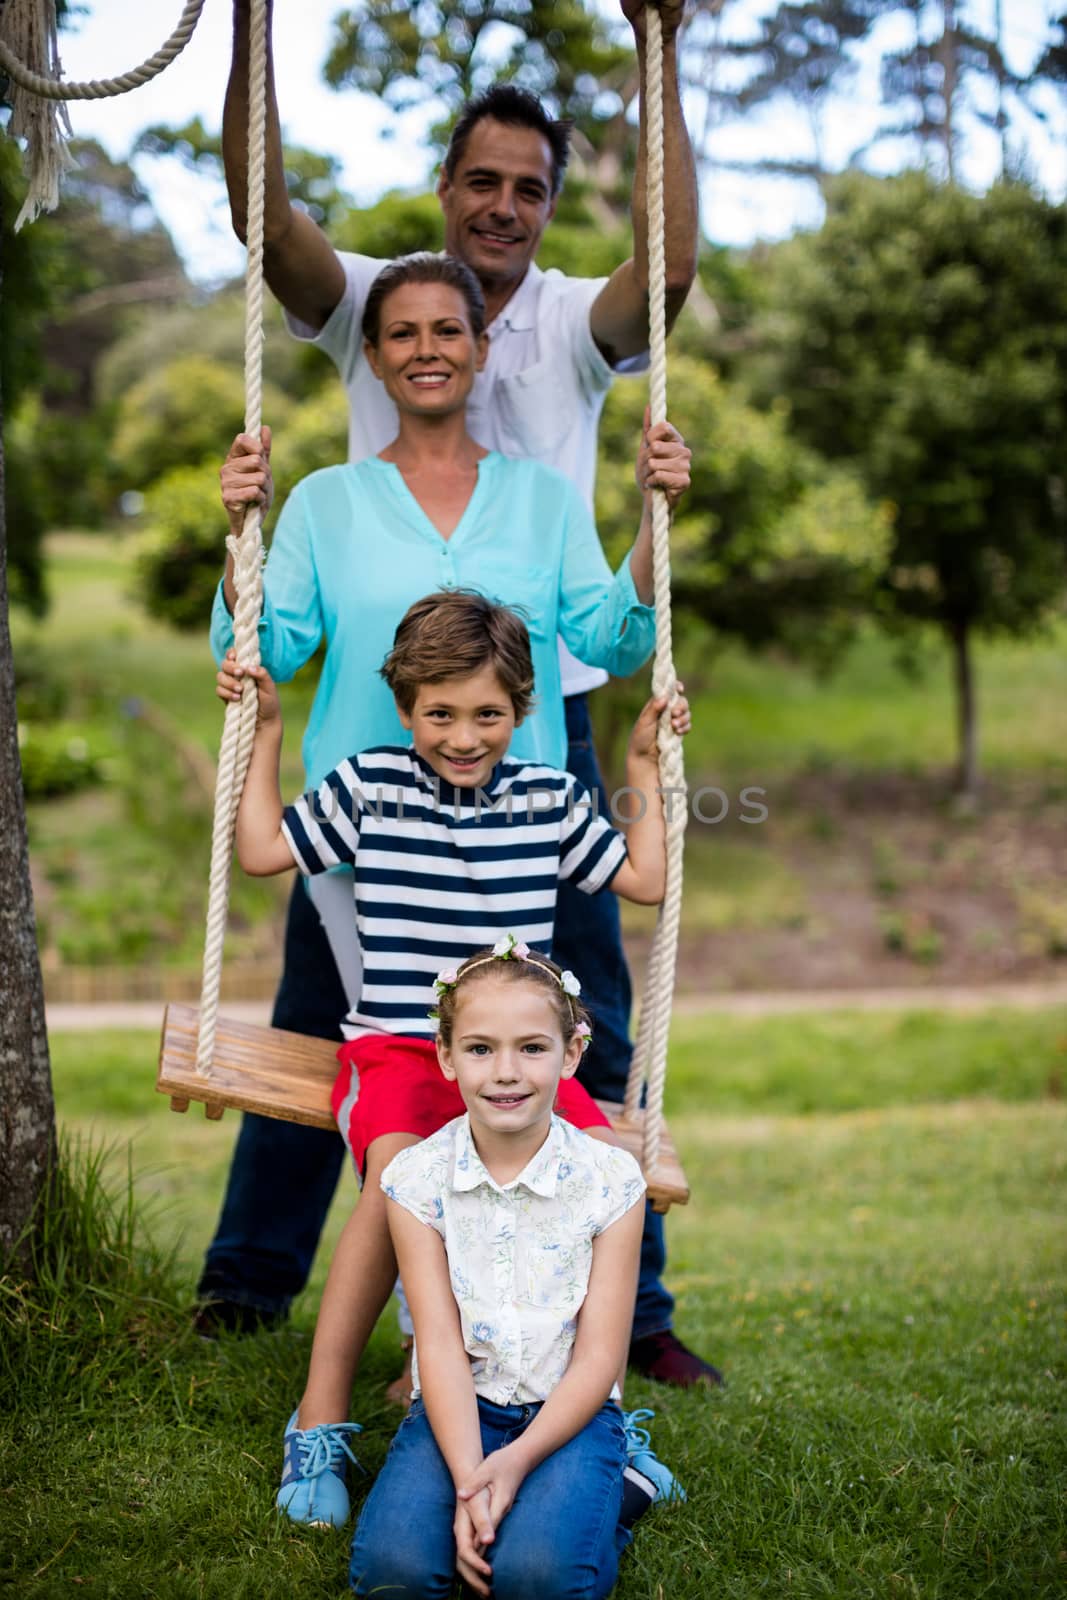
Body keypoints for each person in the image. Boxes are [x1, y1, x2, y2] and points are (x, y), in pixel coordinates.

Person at [204, 0, 721, 1390]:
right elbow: (263, 213)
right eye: (479, 181)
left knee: (567, 1011)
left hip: (532, 727)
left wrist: (653, 42)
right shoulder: (379, 302)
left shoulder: (560, 326)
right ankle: (251, 1293)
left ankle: (629, 1302)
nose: (501, 206)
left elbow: (664, 268)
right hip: (365, 755)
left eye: (528, 189)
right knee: (335, 1017)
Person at [228, 586, 692, 1533]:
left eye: (487, 714)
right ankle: (318, 1419)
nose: (463, 735)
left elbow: (643, 879)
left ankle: (594, 1417)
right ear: (406, 709)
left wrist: (643, 761)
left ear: (523, 711)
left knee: (598, 1176)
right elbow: (264, 850)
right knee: (396, 1182)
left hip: (513, 1046)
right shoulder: (369, 785)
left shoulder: (553, 799)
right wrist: (265, 731)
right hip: (401, 1044)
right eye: (439, 713)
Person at [350, 946, 652, 1600]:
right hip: (459, 1407)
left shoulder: (610, 1181)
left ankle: (614, 1497)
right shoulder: (415, 1180)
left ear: (571, 1055)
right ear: (445, 1055)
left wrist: (511, 1466)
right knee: (391, 1576)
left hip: (569, 1411)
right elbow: (436, 1343)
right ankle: (519, 1506)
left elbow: (601, 1355)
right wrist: (469, 1481)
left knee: (535, 1580)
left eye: (532, 1049)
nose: (506, 1073)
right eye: (481, 1049)